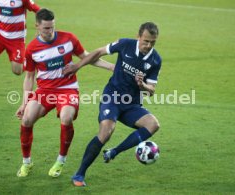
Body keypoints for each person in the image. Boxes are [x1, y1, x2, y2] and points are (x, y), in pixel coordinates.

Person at [15, 8, 114, 178]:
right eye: (46, 28)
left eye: (52, 27)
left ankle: (61, 160)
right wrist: (24, 102)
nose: (50, 31)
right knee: (26, 119)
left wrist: (113, 68)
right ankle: (26, 162)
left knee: (66, 117)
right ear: (37, 26)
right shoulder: (31, 48)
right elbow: (29, 77)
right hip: (44, 90)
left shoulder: (68, 39)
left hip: (68, 89)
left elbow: (88, 57)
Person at [63, 22, 161, 187]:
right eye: (146, 41)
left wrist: (142, 85)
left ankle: (114, 152)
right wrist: (77, 66)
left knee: (153, 124)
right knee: (106, 131)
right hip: (112, 97)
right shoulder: (125, 44)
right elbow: (99, 52)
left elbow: (151, 90)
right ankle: (79, 174)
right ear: (138, 36)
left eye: (152, 42)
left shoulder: (155, 60)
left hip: (132, 104)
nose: (148, 45)